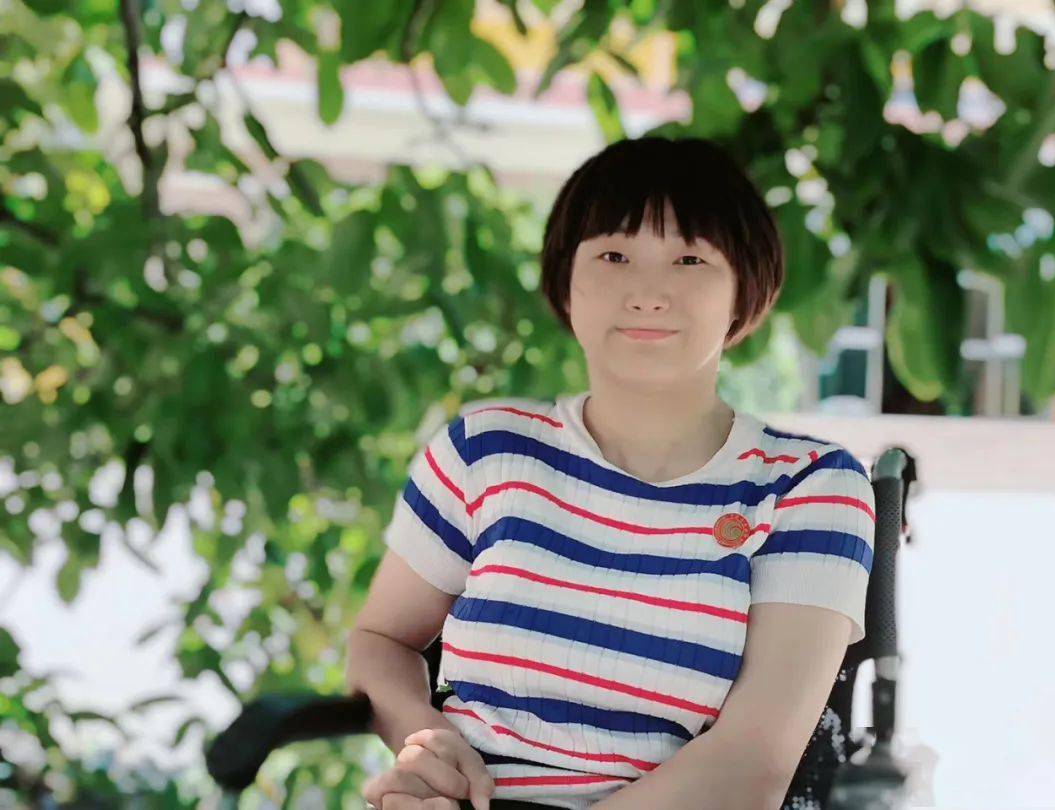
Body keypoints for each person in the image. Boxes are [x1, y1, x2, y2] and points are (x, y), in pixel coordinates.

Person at [348, 136, 876, 810]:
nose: (648, 294)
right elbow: (380, 641)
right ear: (565, 282)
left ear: (745, 289)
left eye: (690, 258)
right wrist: (426, 744)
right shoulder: (484, 449)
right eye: (614, 256)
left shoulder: (810, 486)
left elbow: (752, 766)